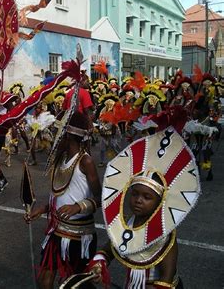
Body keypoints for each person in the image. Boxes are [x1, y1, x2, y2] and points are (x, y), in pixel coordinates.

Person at [88, 129, 200, 288]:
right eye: (135, 194)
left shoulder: (164, 235)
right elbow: (106, 251)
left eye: (147, 197)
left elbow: (166, 279)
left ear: (160, 201)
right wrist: (99, 265)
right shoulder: (125, 225)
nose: (138, 201)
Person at [25, 112, 102, 288]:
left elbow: (100, 198)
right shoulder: (60, 159)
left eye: (56, 134)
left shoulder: (85, 161)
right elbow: (59, 197)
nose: (53, 138)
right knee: (44, 280)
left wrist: (78, 207)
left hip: (78, 236)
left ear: (67, 136)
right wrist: (43, 209)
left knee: (74, 284)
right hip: (56, 230)